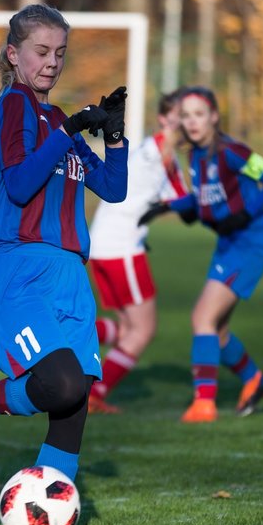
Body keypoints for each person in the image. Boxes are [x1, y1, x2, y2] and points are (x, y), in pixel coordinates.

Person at [0, 4, 128, 525]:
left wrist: (113, 135)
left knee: (75, 401)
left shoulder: (57, 120)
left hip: (69, 272)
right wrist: (72, 129)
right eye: (42, 52)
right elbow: (21, 185)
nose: (52, 63)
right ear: (13, 54)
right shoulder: (13, 106)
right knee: (59, 381)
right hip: (17, 266)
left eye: (60, 53)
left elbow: (113, 190)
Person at [138, 85, 263, 423]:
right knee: (216, 329)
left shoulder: (235, 152)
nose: (191, 122)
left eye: (199, 115)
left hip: (250, 242)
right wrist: (166, 207)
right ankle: (254, 379)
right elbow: (202, 199)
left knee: (201, 318)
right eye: (186, 116)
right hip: (228, 244)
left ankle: (204, 404)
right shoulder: (196, 156)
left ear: (214, 117)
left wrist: (247, 212)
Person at [86, 89, 191, 414]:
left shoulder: (156, 151)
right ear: (164, 118)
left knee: (129, 328)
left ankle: (80, 342)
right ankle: (93, 391)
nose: (188, 120)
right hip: (121, 248)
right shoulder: (159, 152)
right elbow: (187, 207)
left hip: (102, 244)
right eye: (182, 114)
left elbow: (180, 203)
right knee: (143, 330)